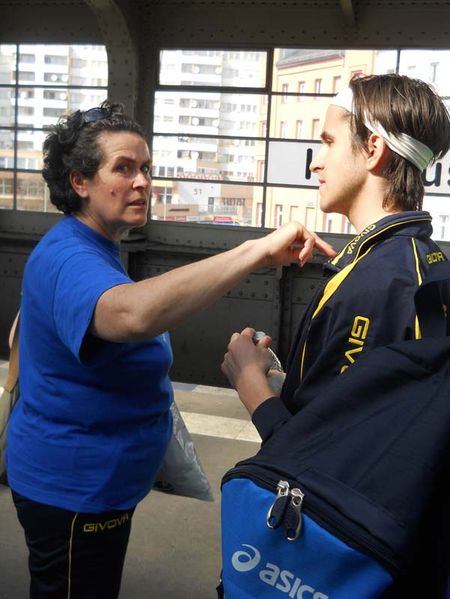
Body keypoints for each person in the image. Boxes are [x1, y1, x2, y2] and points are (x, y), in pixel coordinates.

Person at [5, 100, 335, 599]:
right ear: (79, 181)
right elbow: (131, 314)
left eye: (146, 169)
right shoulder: (70, 254)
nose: (142, 182)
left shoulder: (95, 250)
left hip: (101, 483)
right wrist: (256, 252)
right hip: (75, 492)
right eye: (123, 168)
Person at [221, 74, 450, 595]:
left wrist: (252, 384)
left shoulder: (374, 284)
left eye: (326, 142)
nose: (315, 162)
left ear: (373, 150)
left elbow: (329, 468)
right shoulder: (420, 263)